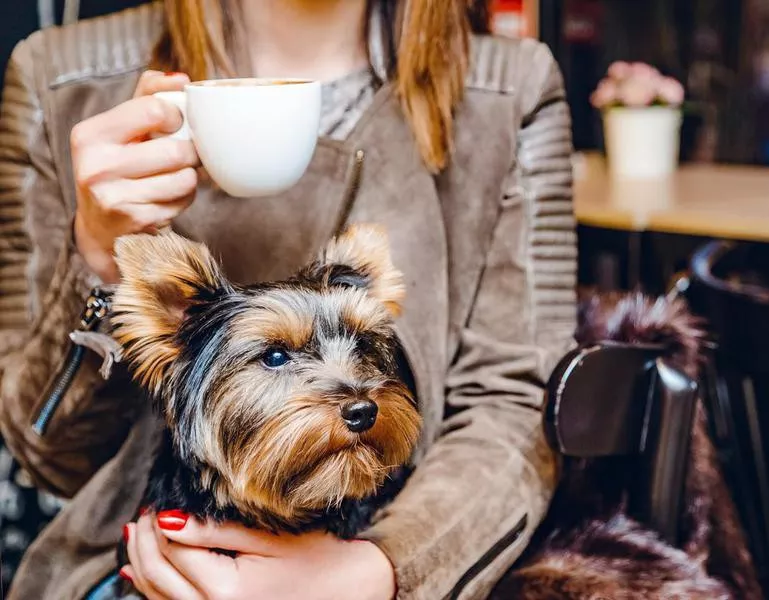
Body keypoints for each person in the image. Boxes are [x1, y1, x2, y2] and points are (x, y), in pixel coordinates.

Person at [0, 0, 576, 598]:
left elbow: (516, 412)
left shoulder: (510, 88)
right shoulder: (60, 77)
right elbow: (50, 458)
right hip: (134, 565)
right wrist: (96, 254)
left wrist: (382, 573)